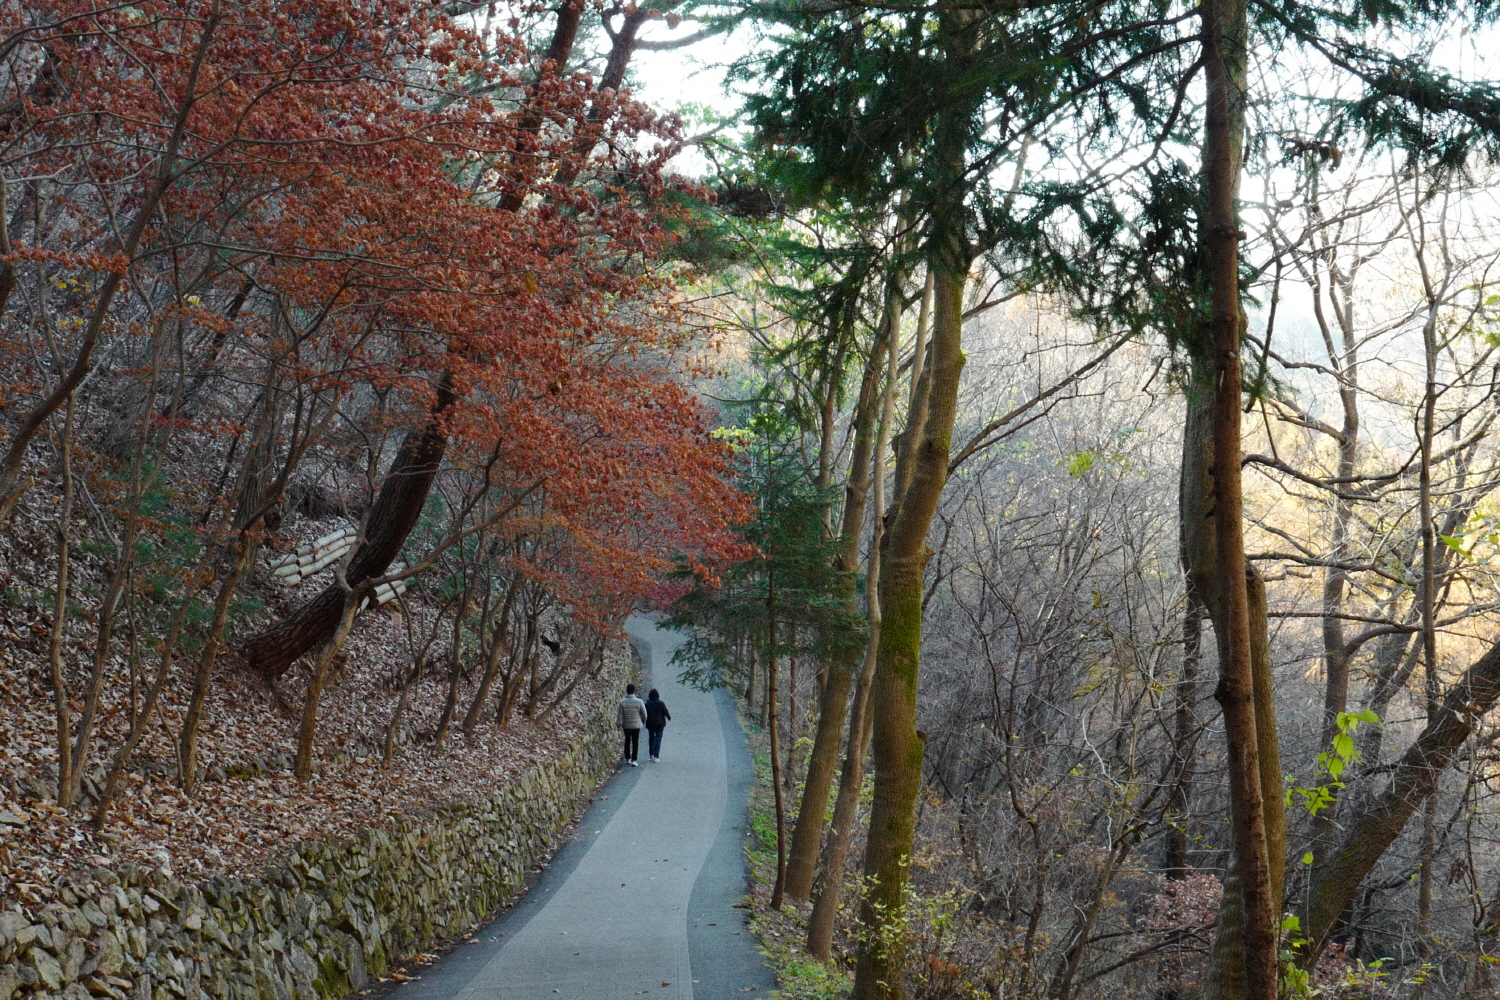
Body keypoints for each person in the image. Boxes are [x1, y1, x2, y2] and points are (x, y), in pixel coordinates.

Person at [617, 684, 647, 766]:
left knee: (627, 741)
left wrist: (618, 724)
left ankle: (628, 758)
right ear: (634, 691)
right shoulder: (639, 701)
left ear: (626, 691)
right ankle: (634, 759)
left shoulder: (622, 702)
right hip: (636, 725)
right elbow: (644, 713)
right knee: (635, 742)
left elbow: (620, 715)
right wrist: (643, 721)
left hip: (626, 725)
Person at [644, 688, 671, 763]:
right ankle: (656, 756)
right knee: (658, 739)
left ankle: (651, 754)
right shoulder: (661, 703)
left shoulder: (647, 704)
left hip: (650, 723)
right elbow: (665, 711)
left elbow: (644, 713)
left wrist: (643, 720)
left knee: (651, 738)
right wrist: (669, 717)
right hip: (660, 724)